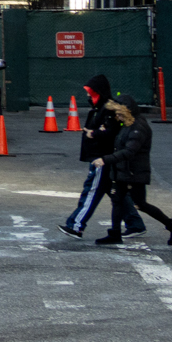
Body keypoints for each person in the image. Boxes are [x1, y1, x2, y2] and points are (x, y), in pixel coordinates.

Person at [96, 95, 172, 246]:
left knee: (141, 203)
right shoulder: (127, 125)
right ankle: (115, 233)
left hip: (134, 173)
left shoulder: (138, 128)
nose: (116, 117)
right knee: (117, 200)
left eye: (118, 113)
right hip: (123, 171)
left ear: (127, 111)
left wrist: (105, 159)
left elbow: (130, 151)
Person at [59, 73, 118, 239]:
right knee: (114, 193)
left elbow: (109, 131)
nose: (87, 95)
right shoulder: (101, 108)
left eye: (91, 92)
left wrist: (94, 134)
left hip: (101, 158)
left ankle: (76, 226)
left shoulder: (105, 110)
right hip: (101, 156)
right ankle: (135, 223)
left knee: (91, 191)